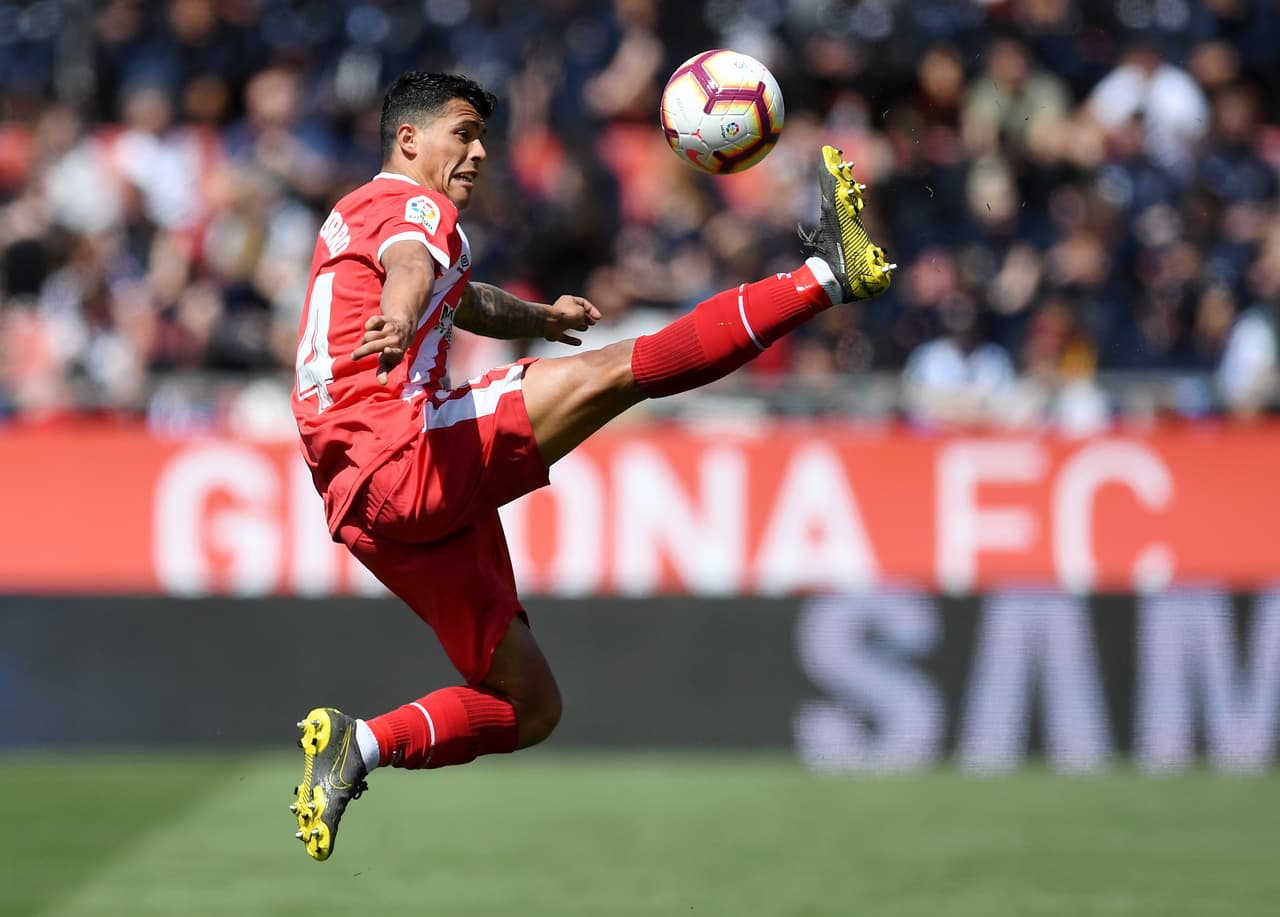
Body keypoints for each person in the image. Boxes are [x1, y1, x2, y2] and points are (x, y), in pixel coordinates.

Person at [289, 71, 894, 861]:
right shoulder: (412, 206)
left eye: (483, 139)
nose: (477, 153)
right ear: (409, 141)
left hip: (361, 503)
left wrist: (541, 317)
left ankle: (358, 746)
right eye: (462, 134)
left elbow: (459, 297)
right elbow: (411, 269)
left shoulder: (364, 216)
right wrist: (399, 319)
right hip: (400, 449)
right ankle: (826, 275)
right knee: (622, 370)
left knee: (529, 705)